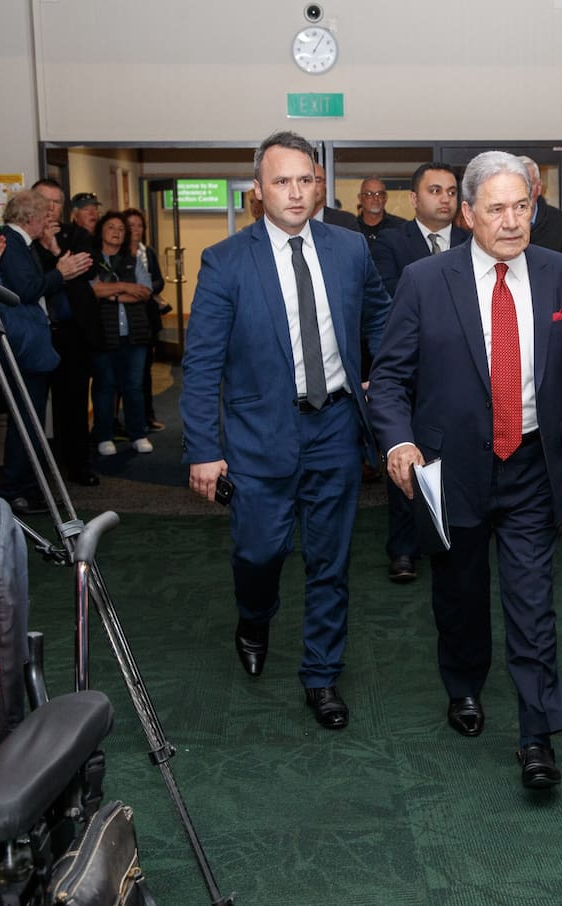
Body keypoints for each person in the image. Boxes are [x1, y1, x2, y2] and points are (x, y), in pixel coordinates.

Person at [366, 149, 562, 789]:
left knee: (532, 604)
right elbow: (387, 380)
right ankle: (463, 682)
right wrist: (398, 445)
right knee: (460, 595)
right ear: (467, 214)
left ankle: (536, 736)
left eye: (521, 206)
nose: (511, 220)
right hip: (451, 469)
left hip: (531, 466)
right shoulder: (424, 281)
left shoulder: (561, 276)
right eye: (496, 209)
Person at [180, 131, 389, 731]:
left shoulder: (349, 250)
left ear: (318, 185)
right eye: (282, 181)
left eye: (305, 180)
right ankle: (255, 613)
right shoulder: (225, 261)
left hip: (335, 429)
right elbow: (201, 364)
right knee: (260, 551)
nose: (296, 193)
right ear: (258, 191)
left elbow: (383, 319)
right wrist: (203, 450)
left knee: (330, 561)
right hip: (257, 436)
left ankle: (321, 677)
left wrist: (382, 378)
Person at [368, 161, 469, 584]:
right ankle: (404, 550)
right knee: (406, 461)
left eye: (450, 191)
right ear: (414, 198)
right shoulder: (391, 242)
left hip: (464, 372)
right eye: (435, 190)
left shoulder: (471, 239)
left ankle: (457, 537)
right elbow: (391, 306)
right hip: (410, 371)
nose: (444, 198)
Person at [0, 189, 67, 516]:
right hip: (24, 345)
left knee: (30, 420)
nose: (49, 219)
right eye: (45, 214)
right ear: (31, 218)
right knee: (26, 420)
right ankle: (14, 490)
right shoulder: (12, 243)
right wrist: (61, 273)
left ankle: (24, 487)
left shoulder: (20, 243)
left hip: (29, 344)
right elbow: (25, 290)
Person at [31, 179, 98, 487]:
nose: (51, 208)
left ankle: (80, 467)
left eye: (57, 202)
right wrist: (59, 265)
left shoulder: (77, 235)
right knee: (35, 406)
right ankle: (38, 473)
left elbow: (87, 269)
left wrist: (55, 251)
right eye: (44, 202)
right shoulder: (24, 241)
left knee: (73, 404)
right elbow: (33, 281)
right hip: (39, 334)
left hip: (73, 334)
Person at [88, 210, 153, 456]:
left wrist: (111, 294)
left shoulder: (132, 259)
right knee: (105, 385)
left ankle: (138, 433)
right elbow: (92, 290)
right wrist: (126, 288)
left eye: (121, 229)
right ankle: (104, 435)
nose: (116, 232)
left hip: (135, 333)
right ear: (101, 232)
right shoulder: (91, 260)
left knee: (133, 386)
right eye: (111, 227)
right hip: (104, 333)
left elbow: (145, 291)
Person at [123, 207, 166, 433]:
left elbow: (158, 281)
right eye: (131, 225)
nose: (135, 230)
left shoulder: (147, 252)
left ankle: (147, 417)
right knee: (125, 378)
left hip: (147, 318)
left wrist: (146, 290)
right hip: (123, 321)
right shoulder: (119, 255)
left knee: (144, 371)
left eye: (139, 225)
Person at [517, 156, 562, 261]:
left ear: (539, 187)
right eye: (518, 185)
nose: (525, 192)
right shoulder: (498, 223)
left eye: (529, 185)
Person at [353, 176, 405, 241]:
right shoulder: (351, 228)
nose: (375, 198)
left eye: (379, 194)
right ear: (360, 198)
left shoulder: (401, 227)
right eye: (369, 194)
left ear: (385, 198)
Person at [312, 163, 359, 231]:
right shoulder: (292, 221)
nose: (313, 186)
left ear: (325, 184)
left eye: (318, 181)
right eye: (307, 181)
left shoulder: (345, 222)